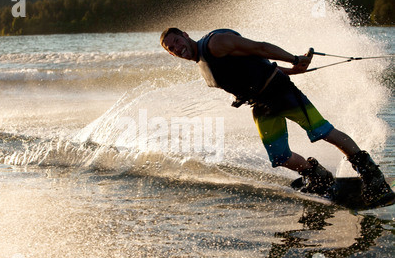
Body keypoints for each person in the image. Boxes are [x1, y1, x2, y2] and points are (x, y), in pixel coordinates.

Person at [160, 27, 393, 207]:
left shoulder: (215, 42)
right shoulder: (203, 63)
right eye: (171, 48)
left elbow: (260, 48)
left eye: (177, 41)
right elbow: (255, 65)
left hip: (281, 93)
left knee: (322, 131)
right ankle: (318, 177)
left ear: (185, 35)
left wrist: (294, 59)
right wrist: (293, 69)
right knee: (280, 156)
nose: (177, 47)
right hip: (260, 105)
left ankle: (372, 176)